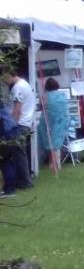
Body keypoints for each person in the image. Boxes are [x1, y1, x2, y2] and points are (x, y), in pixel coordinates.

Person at [1, 67, 35, 196]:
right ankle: (24, 179)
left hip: (19, 124)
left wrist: (10, 125)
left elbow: (17, 109)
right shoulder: (25, 84)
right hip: (26, 123)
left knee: (17, 154)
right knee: (20, 154)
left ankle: (24, 181)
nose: (4, 81)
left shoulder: (17, 88)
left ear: (8, 75)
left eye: (4, 78)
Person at [37, 77, 72, 169]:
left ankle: (54, 164)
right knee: (56, 143)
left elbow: (41, 107)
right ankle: (54, 164)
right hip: (62, 121)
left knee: (49, 143)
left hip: (49, 121)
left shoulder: (44, 96)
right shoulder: (63, 95)